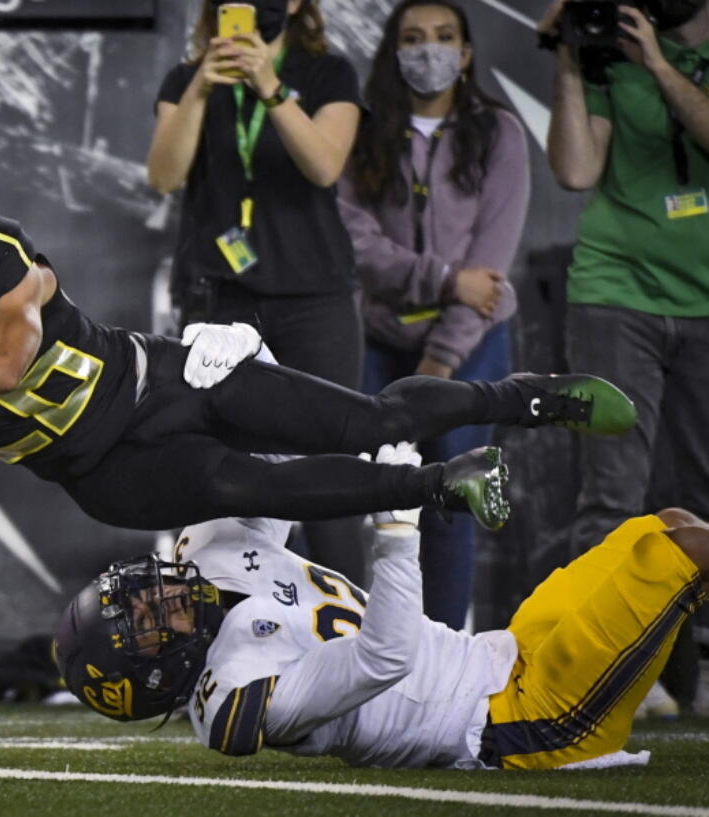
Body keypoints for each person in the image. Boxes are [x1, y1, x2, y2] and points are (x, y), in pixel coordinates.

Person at [0, 180, 638, 543]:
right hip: (100, 467)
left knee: (370, 422)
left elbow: (4, 361)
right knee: (254, 488)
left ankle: (519, 397)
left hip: (165, 381)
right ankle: (447, 483)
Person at [54, 442, 709, 770]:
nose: (156, 593)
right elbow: (385, 656)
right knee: (683, 551)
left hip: (498, 651)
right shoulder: (235, 690)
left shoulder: (209, 551)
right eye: (144, 620)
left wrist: (249, 374)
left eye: (136, 591)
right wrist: (397, 532)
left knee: (664, 526)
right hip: (516, 719)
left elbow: (275, 470)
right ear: (159, 674)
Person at [147, 0, 367, 583]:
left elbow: (324, 165)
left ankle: (361, 651)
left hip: (313, 301)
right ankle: (237, 647)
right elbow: (164, 176)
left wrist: (270, 87)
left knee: (331, 474)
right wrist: (199, 88)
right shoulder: (186, 80)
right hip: (221, 302)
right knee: (227, 481)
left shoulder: (327, 73)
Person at [538, 0, 709, 712]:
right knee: (609, 492)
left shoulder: (659, 59)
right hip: (616, 292)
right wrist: (574, 59)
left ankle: (688, 662)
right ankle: (599, 664)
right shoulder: (608, 56)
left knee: (703, 491)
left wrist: (661, 66)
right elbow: (577, 171)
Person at [338, 0, 530, 628]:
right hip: (379, 338)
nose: (430, 50)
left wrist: (441, 359)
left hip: (472, 345)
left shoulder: (499, 131)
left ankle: (440, 652)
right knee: (372, 500)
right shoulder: (362, 133)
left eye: (445, 37)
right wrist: (445, 278)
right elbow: (355, 242)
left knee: (452, 499)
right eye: (414, 38)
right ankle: (366, 651)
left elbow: (491, 272)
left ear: (467, 53)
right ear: (394, 53)